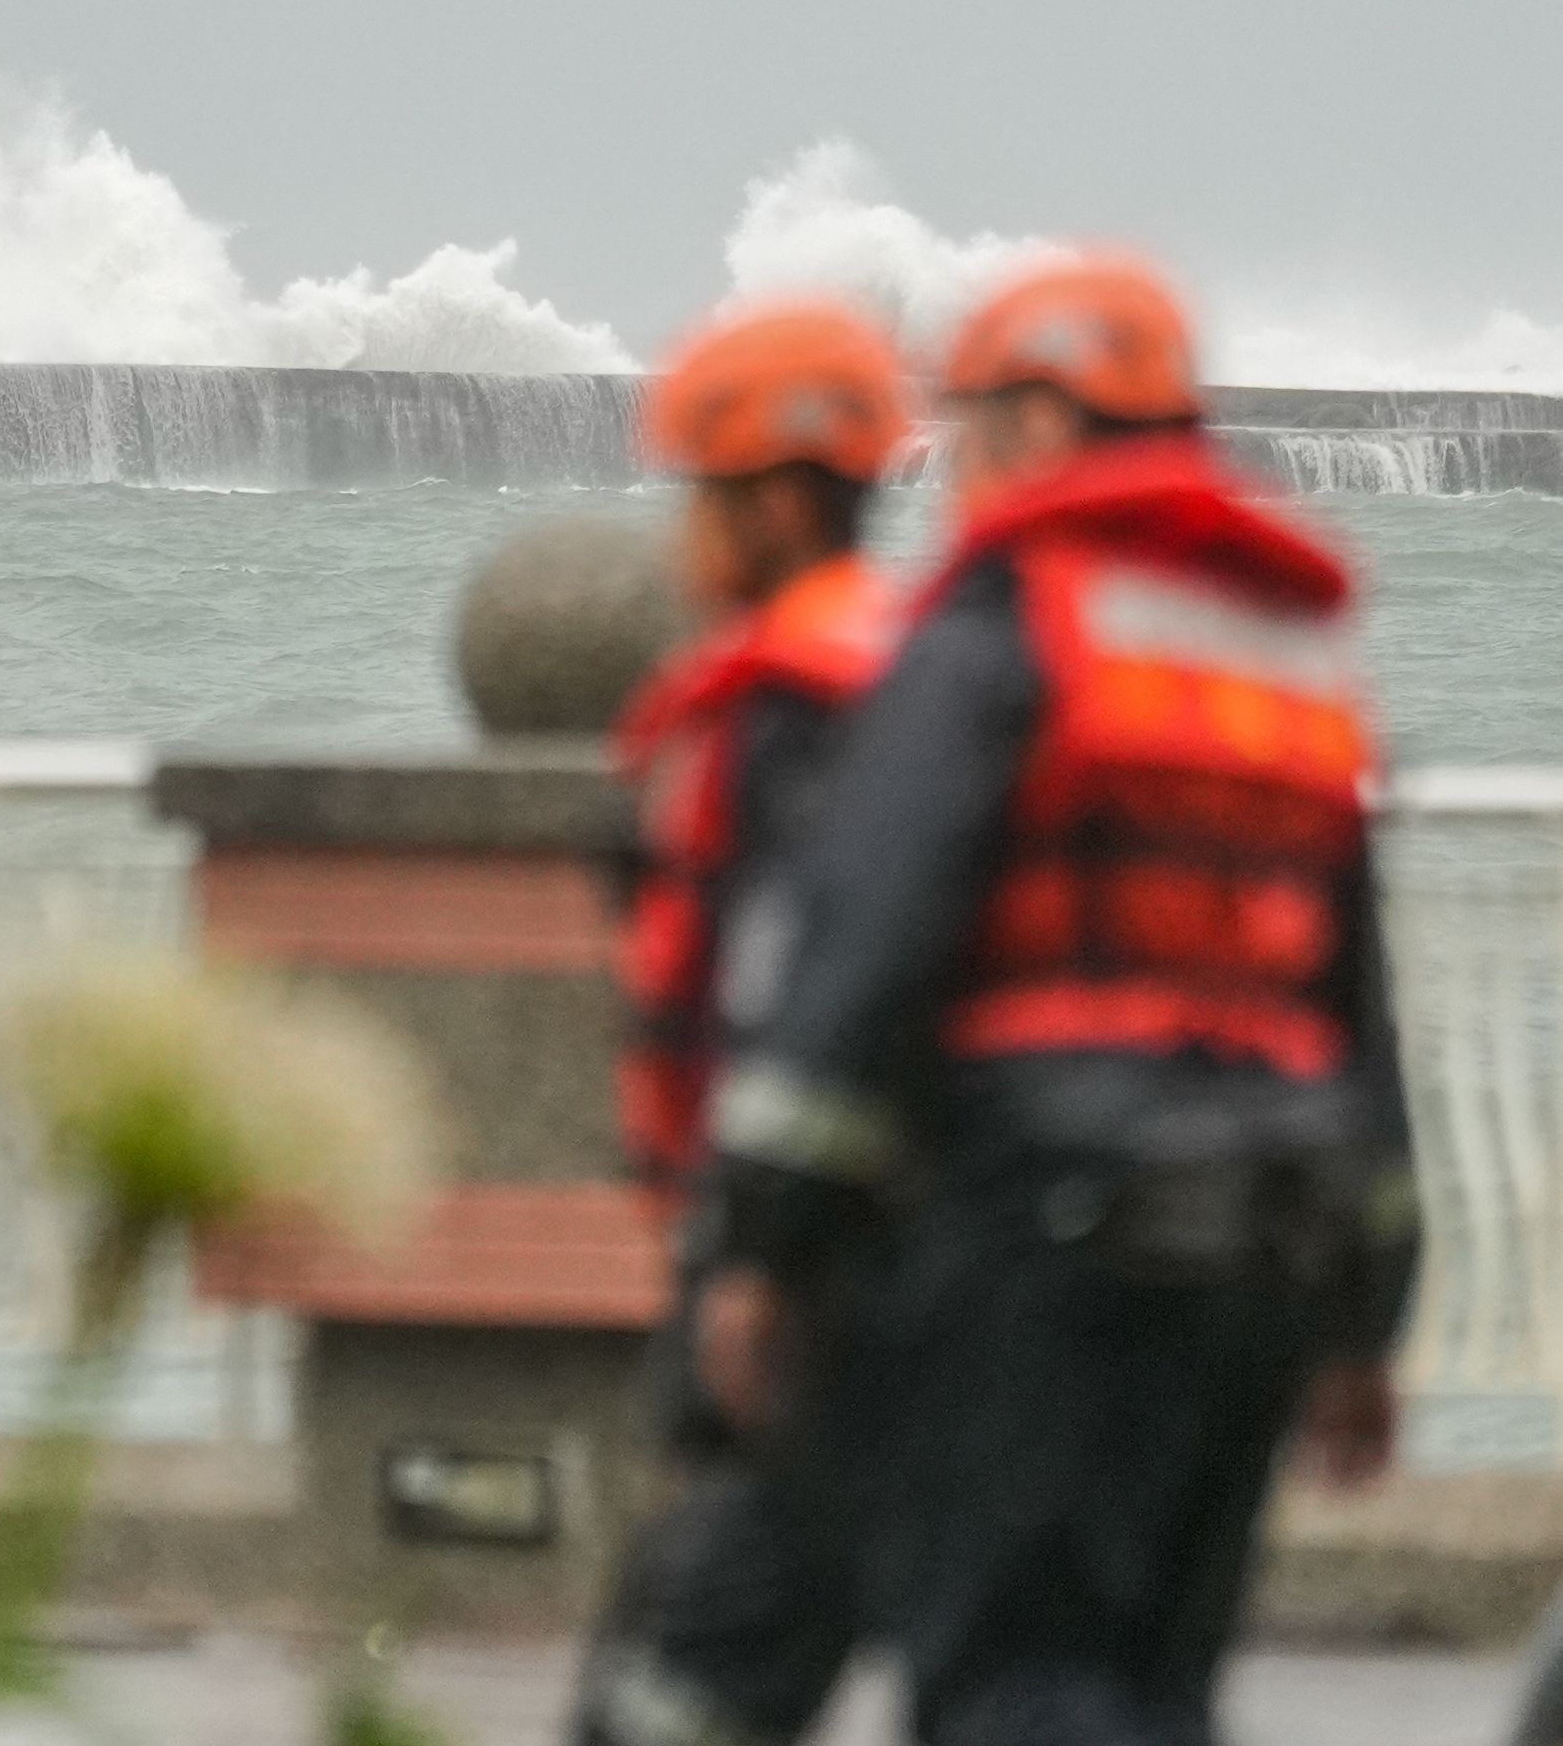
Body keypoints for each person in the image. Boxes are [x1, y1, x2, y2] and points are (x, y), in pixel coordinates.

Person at [702, 253, 1417, 1746]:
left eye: (962, 429)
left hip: (1048, 1236)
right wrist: (1365, 1319)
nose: (951, 473)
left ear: (1033, 425)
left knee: (1009, 1686)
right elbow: (1354, 1011)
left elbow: (867, 947)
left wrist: (765, 1244)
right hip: (1266, 1253)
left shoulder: (999, 629)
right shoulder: (1292, 663)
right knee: (1160, 1689)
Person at [573, 301, 909, 1746]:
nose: (683, 536)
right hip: (878, 1262)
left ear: (775, 502)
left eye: (701, 499)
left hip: (810, 1278)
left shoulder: (796, 712)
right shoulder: (908, 675)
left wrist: (755, 1259)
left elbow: (800, 1002)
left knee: (681, 1677)